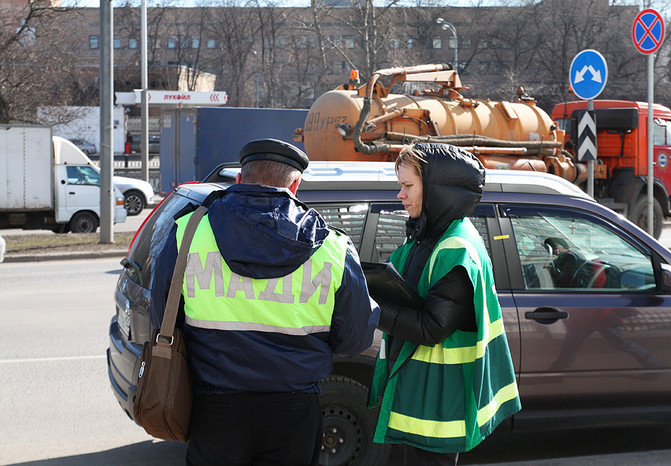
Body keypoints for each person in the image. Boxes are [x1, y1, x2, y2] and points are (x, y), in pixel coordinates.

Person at [150, 138, 379, 466]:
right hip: (296, 412)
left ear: (240, 179)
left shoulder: (188, 232)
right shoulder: (334, 248)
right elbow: (356, 340)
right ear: (295, 185)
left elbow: (164, 318)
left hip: (215, 407)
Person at [368, 143, 521, 465]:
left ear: (437, 190)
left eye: (408, 186)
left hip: (438, 401)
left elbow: (431, 326)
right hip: (423, 394)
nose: (400, 195)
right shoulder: (431, 237)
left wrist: (371, 308)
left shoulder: (455, 246)